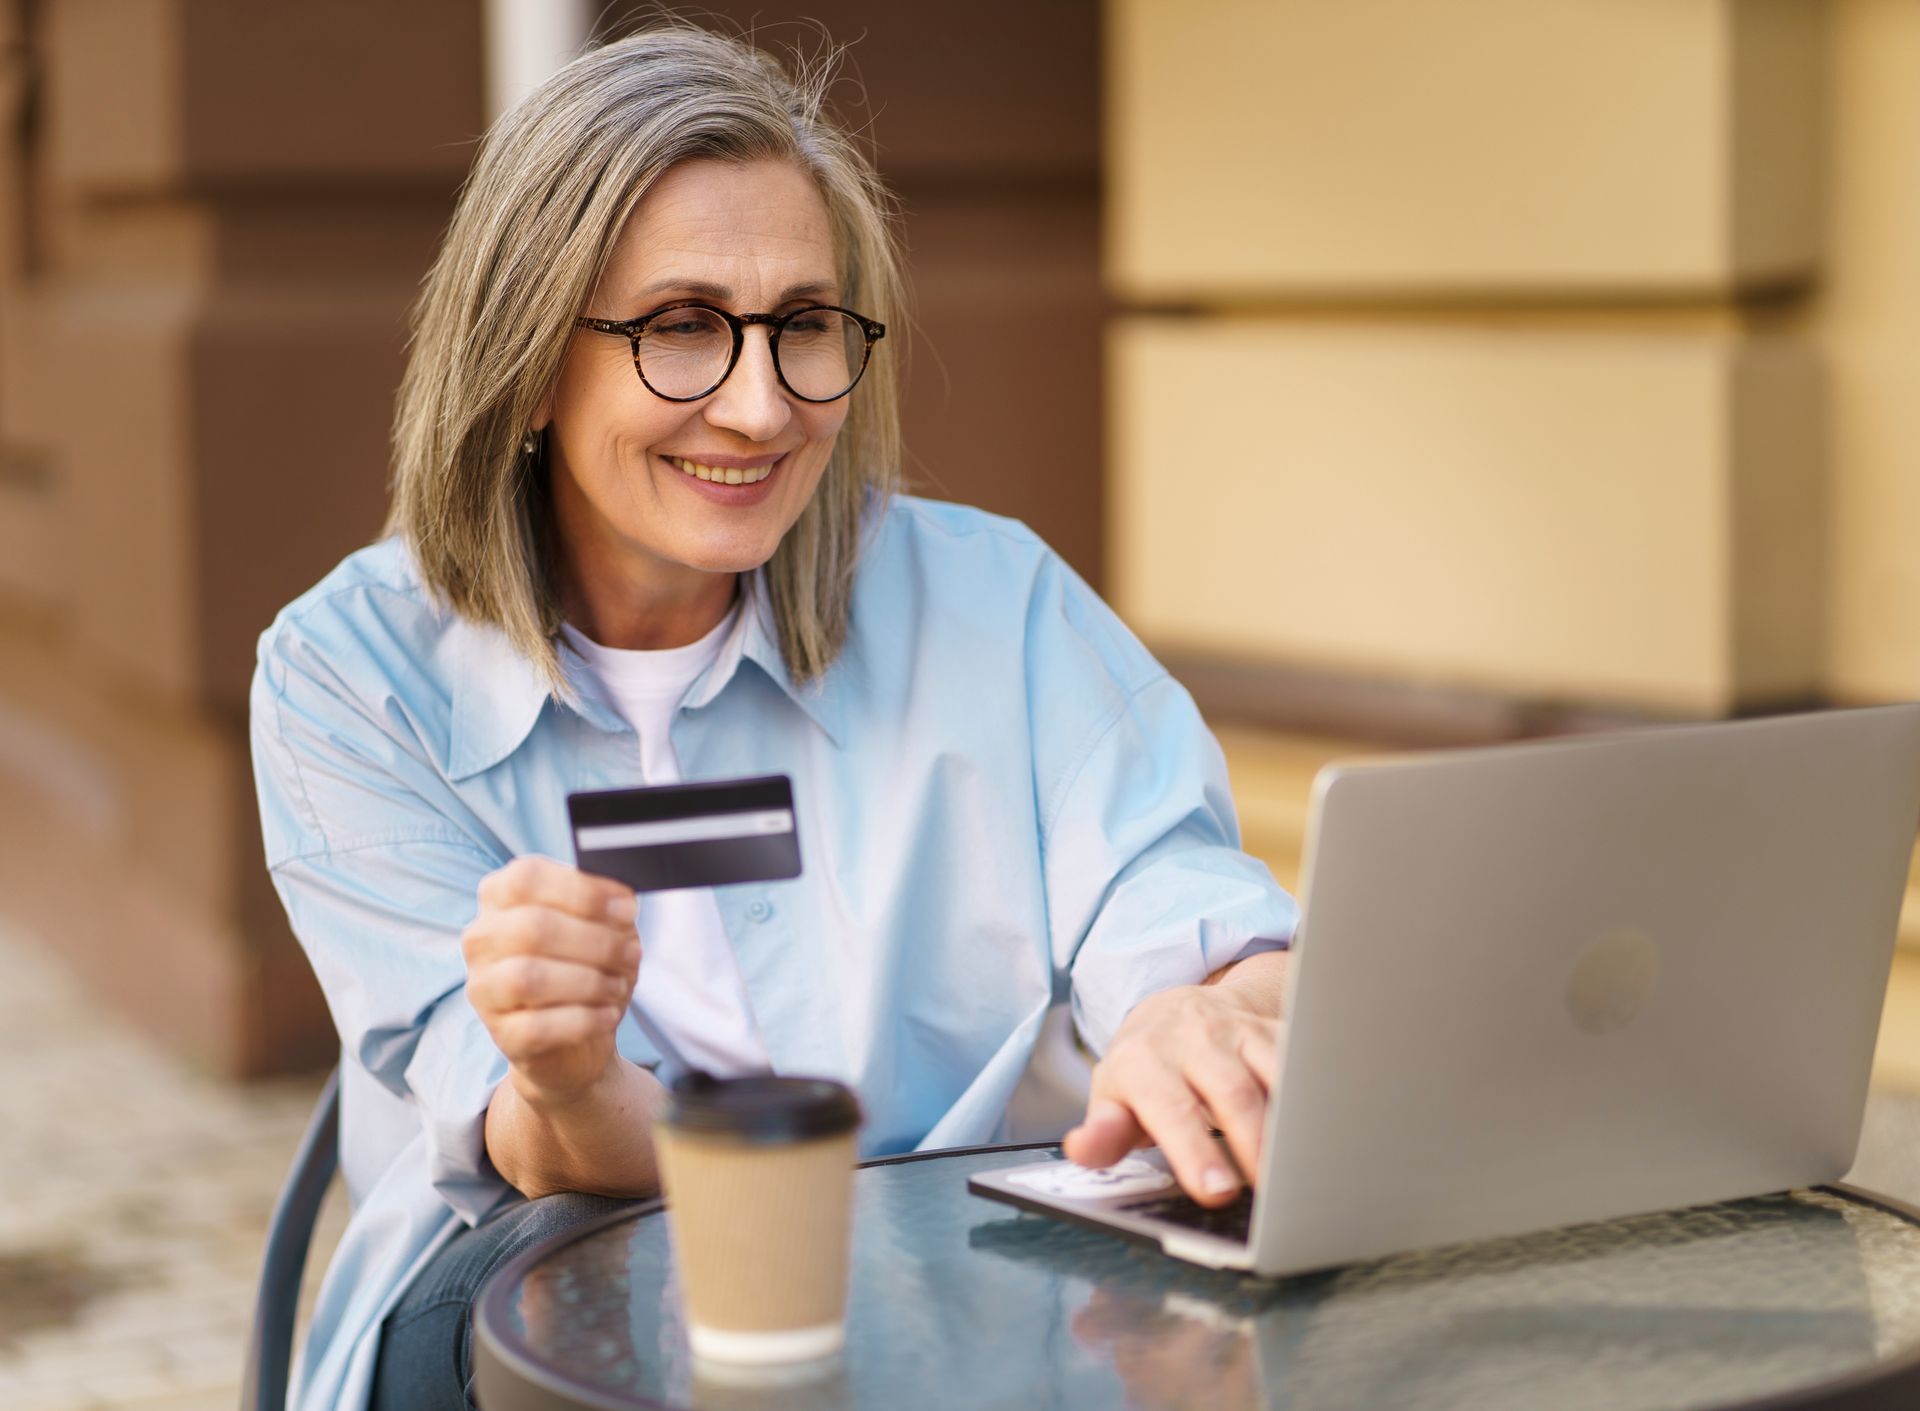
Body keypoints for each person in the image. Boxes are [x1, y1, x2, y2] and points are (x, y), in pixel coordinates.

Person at [249, 24, 1296, 1411]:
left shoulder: (996, 602)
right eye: (681, 327)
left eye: (805, 326)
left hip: (947, 1272)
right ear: (526, 360)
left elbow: (1182, 899)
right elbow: (535, 1146)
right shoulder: (349, 675)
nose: (760, 408)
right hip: (539, 1272)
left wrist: (1207, 1010)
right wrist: (563, 1077)